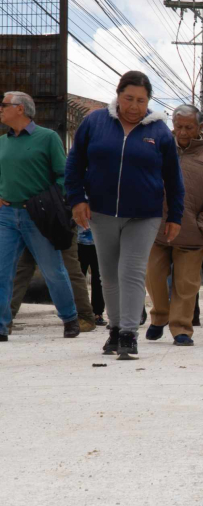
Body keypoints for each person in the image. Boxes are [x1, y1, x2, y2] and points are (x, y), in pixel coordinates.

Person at [65, 71, 184, 360]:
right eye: (129, 98)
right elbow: (75, 163)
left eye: (141, 100)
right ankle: (115, 329)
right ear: (118, 95)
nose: (134, 106)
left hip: (144, 215)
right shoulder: (95, 122)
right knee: (108, 275)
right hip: (102, 212)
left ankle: (129, 335)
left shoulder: (159, 132)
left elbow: (173, 178)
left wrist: (175, 216)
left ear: (149, 102)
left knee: (130, 272)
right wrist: (77, 199)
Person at [144, 105, 203, 346]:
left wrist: (201, 226)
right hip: (155, 227)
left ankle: (182, 328)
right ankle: (160, 315)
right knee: (153, 276)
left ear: (200, 127)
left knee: (187, 284)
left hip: (192, 232)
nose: (181, 132)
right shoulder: (157, 147)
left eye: (188, 127)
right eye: (178, 126)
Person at [0, 91, 79, 341]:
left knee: (53, 270)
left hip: (39, 216)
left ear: (20, 109)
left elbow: (63, 175)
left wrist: (51, 203)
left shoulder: (48, 138)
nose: (0, 109)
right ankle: (1, 325)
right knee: (2, 272)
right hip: (6, 216)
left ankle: (69, 318)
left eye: (3, 104)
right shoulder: (2, 142)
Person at [10, 227, 98, 333]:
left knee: (69, 268)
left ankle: (85, 316)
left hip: (59, 219)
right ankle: (5, 318)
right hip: (29, 220)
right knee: (21, 268)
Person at [77, 227, 106, 326]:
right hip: (78, 242)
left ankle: (98, 313)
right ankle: (79, 312)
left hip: (100, 243)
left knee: (99, 279)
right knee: (77, 280)